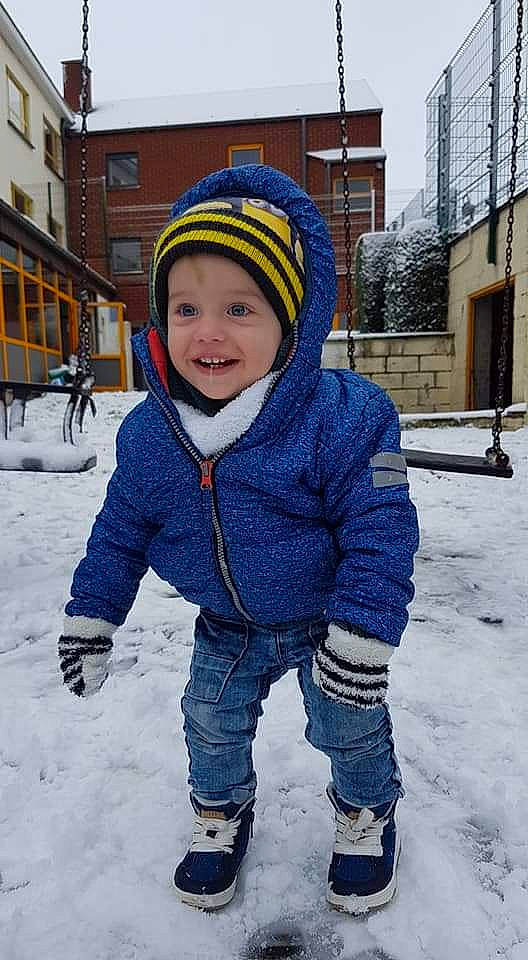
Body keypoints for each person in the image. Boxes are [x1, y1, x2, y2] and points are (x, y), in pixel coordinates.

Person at [58, 164, 420, 915]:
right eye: (186, 308)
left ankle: (367, 812)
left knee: (348, 723)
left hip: (324, 618)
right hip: (227, 624)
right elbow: (120, 532)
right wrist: (92, 618)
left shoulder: (347, 417)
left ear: (291, 322)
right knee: (210, 723)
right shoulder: (152, 435)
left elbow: (381, 528)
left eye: (239, 308)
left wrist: (361, 636)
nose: (208, 332)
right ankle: (221, 812)